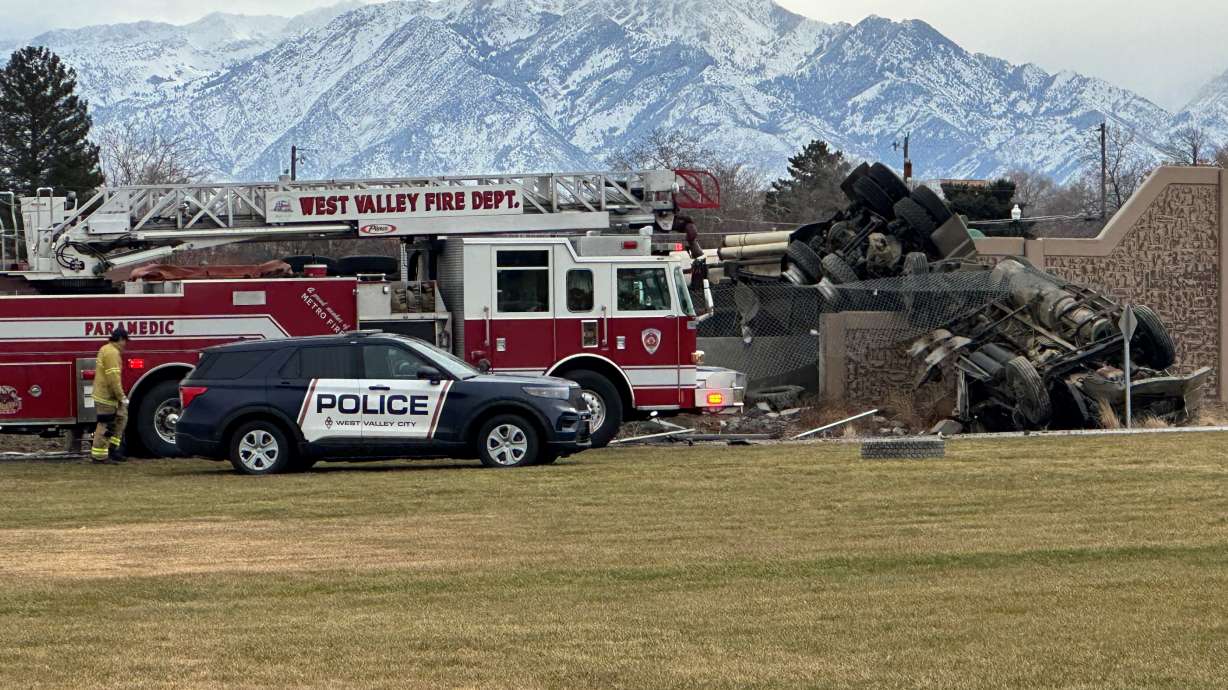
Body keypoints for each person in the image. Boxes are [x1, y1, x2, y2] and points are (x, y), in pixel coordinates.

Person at [91, 327, 130, 464]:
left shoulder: (106, 349)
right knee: (106, 425)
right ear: (120, 339)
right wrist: (122, 397)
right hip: (107, 397)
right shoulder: (112, 353)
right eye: (125, 341)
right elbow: (113, 378)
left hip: (108, 396)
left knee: (121, 419)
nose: (126, 345)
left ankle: (113, 450)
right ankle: (99, 456)